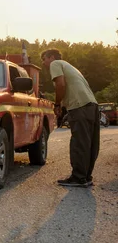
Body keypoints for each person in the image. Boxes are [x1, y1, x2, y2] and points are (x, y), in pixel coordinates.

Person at [41, 48, 99, 187]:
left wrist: (57, 105)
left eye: (44, 59)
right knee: (90, 143)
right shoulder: (71, 66)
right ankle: (86, 176)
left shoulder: (56, 64)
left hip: (79, 107)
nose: (44, 63)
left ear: (52, 57)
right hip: (92, 105)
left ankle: (78, 178)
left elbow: (60, 84)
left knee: (79, 143)